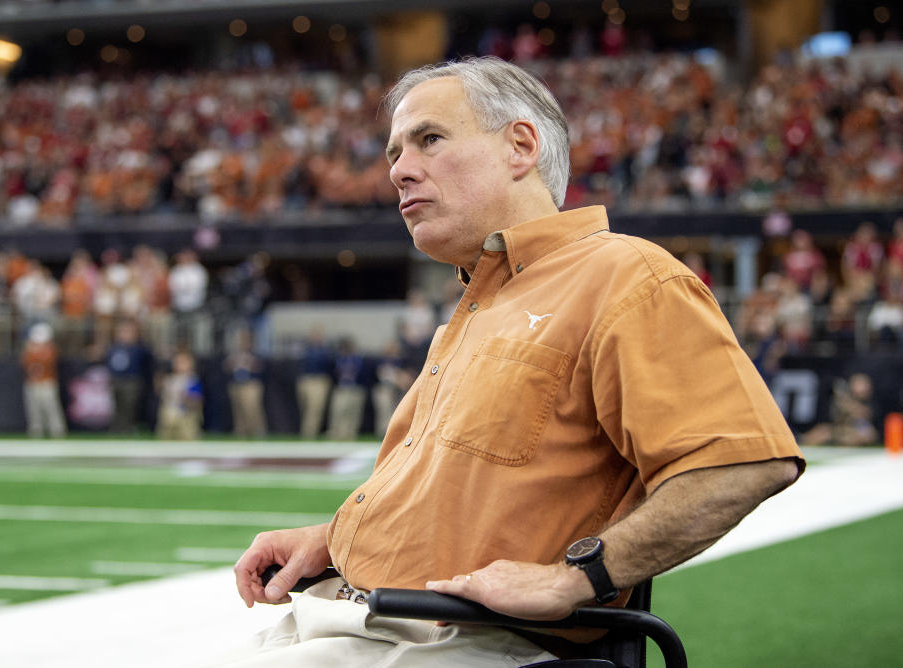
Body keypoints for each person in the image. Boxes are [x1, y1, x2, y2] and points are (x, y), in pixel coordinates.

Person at [232, 57, 804, 667]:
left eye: (429, 139)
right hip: (358, 616)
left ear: (520, 146)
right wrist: (332, 541)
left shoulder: (626, 275)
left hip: (463, 639)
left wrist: (576, 578)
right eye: (394, 151)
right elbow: (462, 500)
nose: (399, 169)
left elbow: (743, 461)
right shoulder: (477, 307)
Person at [19, 322, 67, 438]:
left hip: (47, 382)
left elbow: (47, 363)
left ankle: (57, 430)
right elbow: (24, 364)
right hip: (32, 382)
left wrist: (36, 353)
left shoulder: (50, 350)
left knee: (51, 408)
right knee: (34, 409)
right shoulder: (28, 350)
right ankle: (36, 431)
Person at [156, 349, 204, 441]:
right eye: (177, 362)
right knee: (166, 435)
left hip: (186, 414)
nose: (180, 365)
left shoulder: (192, 380)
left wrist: (186, 398)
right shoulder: (170, 379)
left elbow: (197, 399)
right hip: (170, 413)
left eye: (183, 362)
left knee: (187, 436)